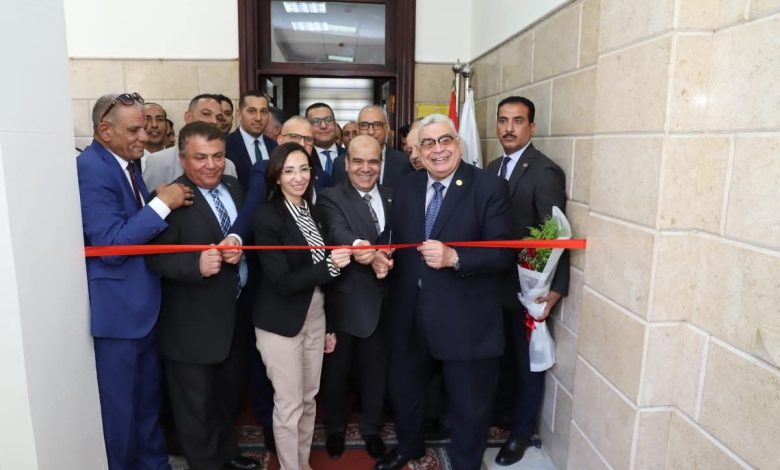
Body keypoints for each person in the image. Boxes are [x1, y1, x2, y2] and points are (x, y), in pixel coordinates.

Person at [372, 114, 513, 470]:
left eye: (445, 140)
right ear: (417, 152)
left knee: (469, 402)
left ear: (458, 143)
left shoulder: (488, 187)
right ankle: (409, 447)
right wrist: (380, 254)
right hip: (410, 312)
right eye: (428, 143)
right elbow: (393, 236)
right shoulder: (407, 186)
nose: (438, 150)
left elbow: (503, 252)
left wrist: (455, 257)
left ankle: (466, 463)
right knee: (406, 390)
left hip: (465, 316)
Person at [77, 92, 194, 469]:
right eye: (134, 130)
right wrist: (162, 203)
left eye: (144, 127)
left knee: (146, 406)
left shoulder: (127, 164)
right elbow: (111, 245)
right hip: (118, 317)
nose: (145, 136)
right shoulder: (91, 169)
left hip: (143, 310)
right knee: (121, 416)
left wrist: (153, 201)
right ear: (105, 131)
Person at [145, 121, 258, 470]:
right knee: (196, 409)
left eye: (218, 156)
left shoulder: (235, 187)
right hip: (190, 327)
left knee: (227, 399)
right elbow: (152, 258)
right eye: (201, 157)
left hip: (234, 317)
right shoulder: (169, 199)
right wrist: (194, 264)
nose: (211, 165)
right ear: (182, 158)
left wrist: (242, 247)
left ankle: (228, 455)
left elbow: (248, 232)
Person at [251, 142, 352, 470]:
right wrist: (331, 265)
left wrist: (330, 325)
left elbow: (325, 282)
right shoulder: (267, 216)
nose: (298, 177)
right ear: (276, 176)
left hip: (316, 315)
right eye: (289, 171)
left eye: (304, 169)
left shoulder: (315, 211)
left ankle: (302, 463)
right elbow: (282, 280)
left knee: (309, 399)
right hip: (279, 321)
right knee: (289, 403)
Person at [487, 96, 569, 466]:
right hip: (493, 283)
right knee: (502, 357)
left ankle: (521, 433)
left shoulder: (545, 171)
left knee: (526, 362)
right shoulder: (493, 167)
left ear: (531, 127)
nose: (509, 128)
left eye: (517, 121)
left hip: (528, 288)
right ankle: (503, 416)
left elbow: (556, 234)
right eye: (503, 120)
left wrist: (555, 290)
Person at [317, 135, 392, 461]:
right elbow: (338, 231)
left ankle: (372, 428)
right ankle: (335, 428)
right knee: (336, 373)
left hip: (386, 301)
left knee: (376, 371)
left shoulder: (393, 195)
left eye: (373, 161)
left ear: (381, 164)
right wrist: (367, 251)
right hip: (346, 300)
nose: (366, 168)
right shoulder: (330, 197)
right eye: (358, 161)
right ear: (346, 164)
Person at [143, 94, 238, 190]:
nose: (214, 121)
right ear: (188, 117)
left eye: (219, 118)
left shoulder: (228, 166)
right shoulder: (158, 162)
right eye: (206, 114)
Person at [331, 105, 413, 189]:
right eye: (364, 125)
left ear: (387, 129)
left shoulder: (404, 162)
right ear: (358, 130)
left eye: (377, 125)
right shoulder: (340, 163)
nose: (371, 132)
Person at [225, 90, 276, 189]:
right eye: (252, 111)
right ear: (239, 114)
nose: (258, 118)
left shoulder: (274, 146)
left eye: (263, 111)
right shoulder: (226, 145)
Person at [305, 102, 345, 183]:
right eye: (316, 121)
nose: (323, 126)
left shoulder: (349, 156)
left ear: (335, 123)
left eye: (328, 120)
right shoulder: (304, 158)